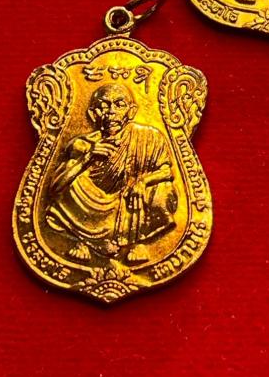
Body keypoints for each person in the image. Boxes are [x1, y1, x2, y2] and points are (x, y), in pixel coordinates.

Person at [46, 83, 176, 263]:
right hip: (93, 207)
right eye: (103, 106)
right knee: (72, 179)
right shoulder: (82, 144)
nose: (111, 112)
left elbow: (167, 171)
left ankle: (137, 242)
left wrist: (143, 182)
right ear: (93, 114)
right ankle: (86, 239)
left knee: (163, 188)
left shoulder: (150, 137)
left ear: (131, 111)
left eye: (119, 104)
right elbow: (55, 189)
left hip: (132, 203)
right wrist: (87, 158)